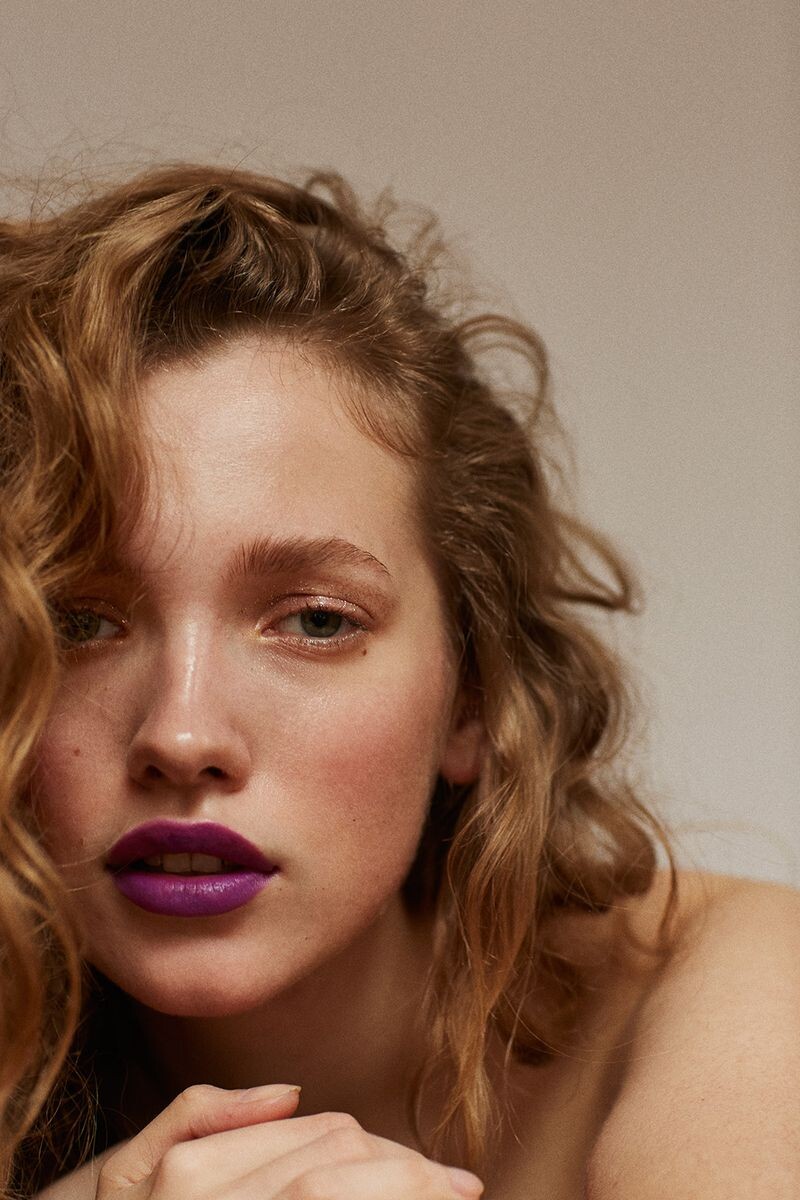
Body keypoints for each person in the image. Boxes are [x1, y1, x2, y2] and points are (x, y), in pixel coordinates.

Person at [0, 164, 796, 1200]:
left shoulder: (736, 991)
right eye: (79, 622)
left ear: (472, 693)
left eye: (315, 621)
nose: (181, 737)